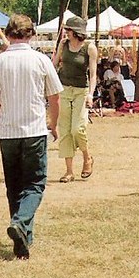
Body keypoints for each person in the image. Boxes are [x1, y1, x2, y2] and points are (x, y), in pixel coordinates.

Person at [0, 14, 62, 259]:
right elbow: (55, 96)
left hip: (8, 132)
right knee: (35, 184)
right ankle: (20, 223)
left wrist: (2, 105)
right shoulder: (40, 60)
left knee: (14, 186)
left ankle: (24, 236)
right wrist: (53, 123)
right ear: (31, 34)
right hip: (34, 130)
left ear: (9, 33)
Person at [52, 16, 96, 182]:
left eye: (68, 30)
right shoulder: (63, 45)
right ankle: (69, 171)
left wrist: (91, 94)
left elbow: (92, 75)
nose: (66, 33)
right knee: (65, 131)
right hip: (63, 89)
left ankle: (87, 157)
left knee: (77, 129)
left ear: (76, 32)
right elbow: (55, 64)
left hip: (81, 91)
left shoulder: (89, 48)